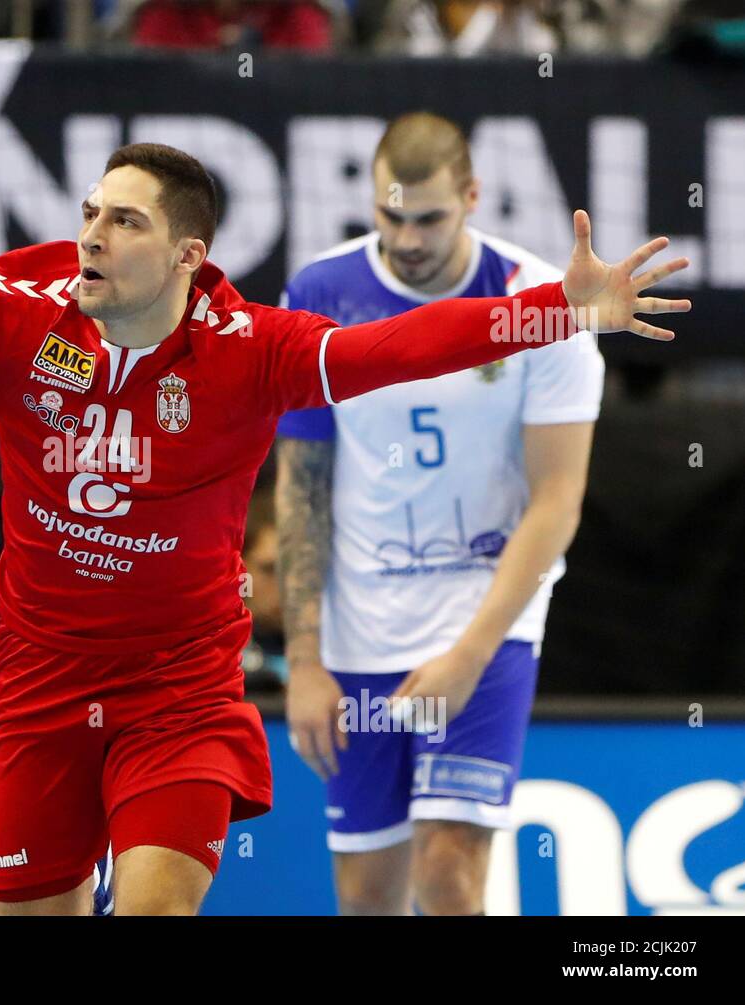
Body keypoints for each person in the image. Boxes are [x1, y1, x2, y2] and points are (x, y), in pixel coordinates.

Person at [0, 80, 689, 914]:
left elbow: (409, 343)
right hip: (38, 687)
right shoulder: (15, 317)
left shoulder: (253, 353)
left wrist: (555, 311)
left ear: (189, 257)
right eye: (92, 212)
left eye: (125, 223)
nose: (92, 235)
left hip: (180, 692)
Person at [277, 111, 609, 915]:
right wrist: (306, 658)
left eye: (429, 218)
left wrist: (470, 653)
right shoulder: (321, 292)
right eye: (392, 216)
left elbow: (557, 500)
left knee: (450, 875)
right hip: (362, 627)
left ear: (471, 197)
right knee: (367, 895)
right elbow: (303, 485)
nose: (410, 237)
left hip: (485, 614)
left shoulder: (539, 304)